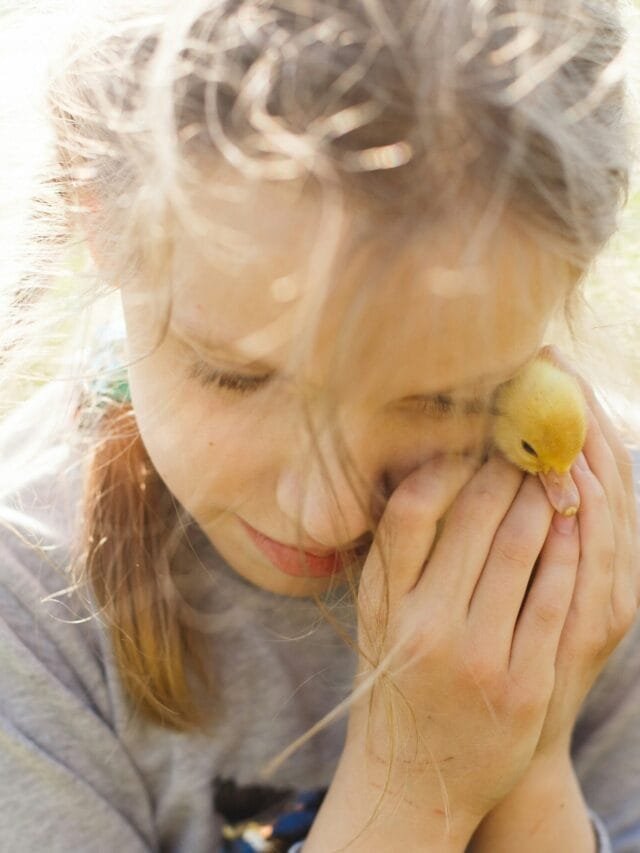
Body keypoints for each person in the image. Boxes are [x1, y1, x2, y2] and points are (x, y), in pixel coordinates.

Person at [0, 1, 638, 851]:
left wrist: (533, 764)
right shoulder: (29, 613)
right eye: (236, 375)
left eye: (449, 398)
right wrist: (417, 791)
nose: (324, 514)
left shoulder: (597, 547)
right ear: (97, 217)